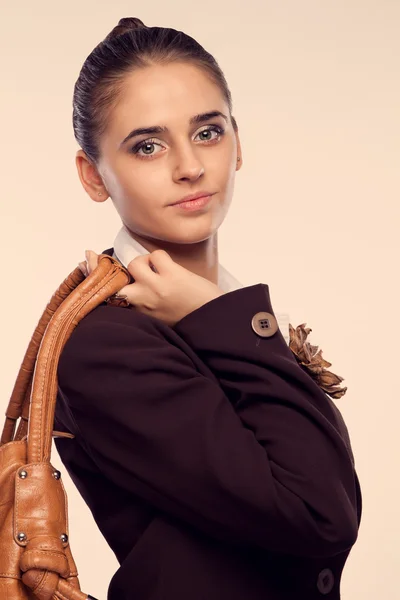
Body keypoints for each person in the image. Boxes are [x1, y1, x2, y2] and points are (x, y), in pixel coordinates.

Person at [54, 17, 362, 600]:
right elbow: (322, 511)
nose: (189, 166)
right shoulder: (106, 342)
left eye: (207, 132)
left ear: (238, 143)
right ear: (94, 176)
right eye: (147, 145)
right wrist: (219, 315)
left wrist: (210, 308)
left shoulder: (210, 306)